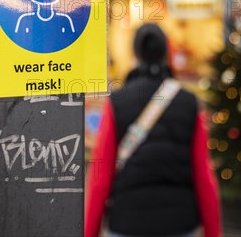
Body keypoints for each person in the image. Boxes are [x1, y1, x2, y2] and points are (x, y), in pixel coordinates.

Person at [85, 23, 221, 237]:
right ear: (166, 53)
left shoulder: (117, 103)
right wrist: (214, 233)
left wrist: (90, 232)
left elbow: (100, 177)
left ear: (135, 54)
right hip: (179, 224)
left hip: (128, 223)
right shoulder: (189, 103)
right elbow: (203, 177)